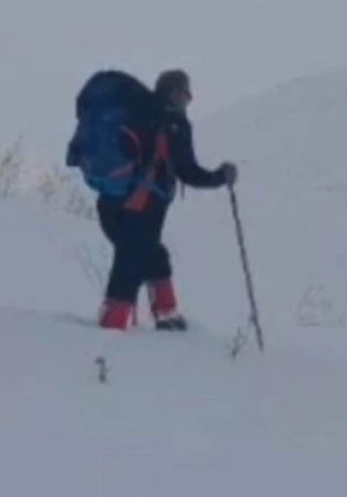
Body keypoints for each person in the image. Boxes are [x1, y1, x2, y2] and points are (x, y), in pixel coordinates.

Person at [91, 69, 237, 331]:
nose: (187, 102)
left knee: (152, 255)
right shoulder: (173, 123)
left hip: (110, 203)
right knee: (133, 258)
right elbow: (188, 171)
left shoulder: (137, 113)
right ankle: (113, 325)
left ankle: (166, 316)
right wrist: (219, 177)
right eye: (186, 95)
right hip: (141, 207)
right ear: (176, 93)